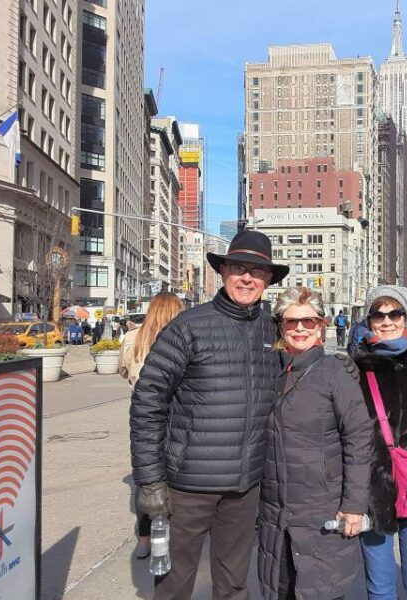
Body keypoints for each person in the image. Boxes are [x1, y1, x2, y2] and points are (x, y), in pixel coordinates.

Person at [130, 230, 288, 600]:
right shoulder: (188, 326)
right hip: (187, 487)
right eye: (238, 267)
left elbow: (301, 376)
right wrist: (150, 480)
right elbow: (147, 403)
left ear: (267, 279)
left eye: (257, 271)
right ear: (223, 272)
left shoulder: (273, 330)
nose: (247, 277)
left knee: (234, 585)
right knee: (173, 584)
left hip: (245, 487)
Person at [258, 287, 372, 600]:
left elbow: (360, 440)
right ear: (280, 326)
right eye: (291, 322)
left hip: (321, 511)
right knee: (280, 590)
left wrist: (353, 506)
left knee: (321, 590)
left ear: (320, 325)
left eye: (308, 322)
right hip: (275, 514)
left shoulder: (335, 373)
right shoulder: (269, 370)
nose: (299, 329)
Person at [348, 285, 407, 600]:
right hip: (372, 484)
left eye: (394, 313)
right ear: (369, 320)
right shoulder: (356, 366)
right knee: (380, 583)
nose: (386, 321)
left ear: (406, 317)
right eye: (378, 314)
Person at [119, 292, 183, 558]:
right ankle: (177, 533)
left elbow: (122, 370)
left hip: (142, 413)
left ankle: (144, 540)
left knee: (147, 477)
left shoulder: (133, 338)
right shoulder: (181, 337)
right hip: (176, 414)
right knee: (177, 475)